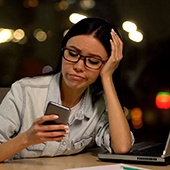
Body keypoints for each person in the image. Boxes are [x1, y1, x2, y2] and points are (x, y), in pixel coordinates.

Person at [0, 17, 134, 162]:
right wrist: (27, 138)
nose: (78, 67)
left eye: (93, 61)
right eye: (72, 53)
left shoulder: (99, 104)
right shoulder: (25, 91)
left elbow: (121, 147)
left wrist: (107, 77)